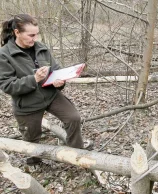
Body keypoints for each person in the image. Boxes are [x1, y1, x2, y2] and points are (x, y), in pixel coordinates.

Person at [0, 14, 92, 165]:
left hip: (50, 95)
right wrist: (34, 79)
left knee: (73, 118)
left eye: (36, 34)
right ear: (17, 32)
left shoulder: (41, 48)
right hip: (27, 103)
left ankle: (76, 153)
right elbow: (7, 86)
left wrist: (59, 81)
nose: (34, 38)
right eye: (30, 35)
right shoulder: (4, 55)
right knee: (32, 137)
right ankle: (34, 162)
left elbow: (55, 69)